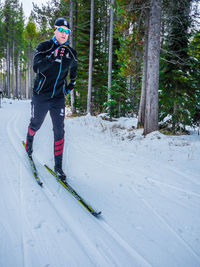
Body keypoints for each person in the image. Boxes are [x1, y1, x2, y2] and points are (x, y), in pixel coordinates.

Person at [25, 17, 77, 182]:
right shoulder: (44, 47)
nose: (64, 34)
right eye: (61, 30)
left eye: (67, 32)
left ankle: (58, 167)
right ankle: (29, 141)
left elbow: (74, 69)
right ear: (54, 30)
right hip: (41, 95)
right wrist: (52, 56)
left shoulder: (70, 53)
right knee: (36, 124)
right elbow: (36, 67)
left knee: (59, 130)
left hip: (58, 98)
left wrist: (71, 85)